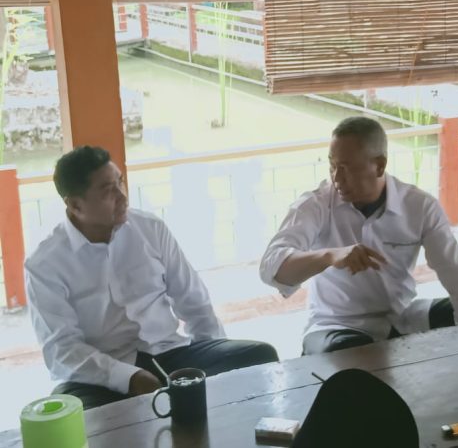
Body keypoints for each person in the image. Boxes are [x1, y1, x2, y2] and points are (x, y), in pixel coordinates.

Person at [25, 146, 278, 410]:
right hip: (100, 376)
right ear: (75, 205)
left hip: (170, 354)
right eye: (108, 190)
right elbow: (62, 350)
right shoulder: (45, 263)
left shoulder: (150, 228)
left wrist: (215, 366)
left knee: (258, 358)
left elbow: (194, 302)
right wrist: (129, 377)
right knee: (79, 416)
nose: (122, 196)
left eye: (120, 182)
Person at [260, 116, 458, 355]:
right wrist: (331, 256)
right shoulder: (316, 205)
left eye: (346, 168)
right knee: (351, 352)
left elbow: (453, 268)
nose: (336, 178)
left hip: (401, 317)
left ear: (379, 165)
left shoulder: (419, 206)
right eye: (332, 166)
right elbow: (271, 267)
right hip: (336, 325)